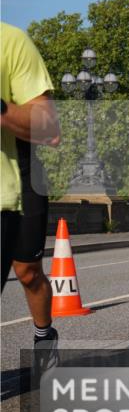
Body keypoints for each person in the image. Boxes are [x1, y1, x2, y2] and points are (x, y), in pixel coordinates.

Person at [1, 22, 62, 365]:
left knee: (27, 271)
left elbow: (49, 130)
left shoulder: (11, 41)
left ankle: (44, 335)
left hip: (19, 179)